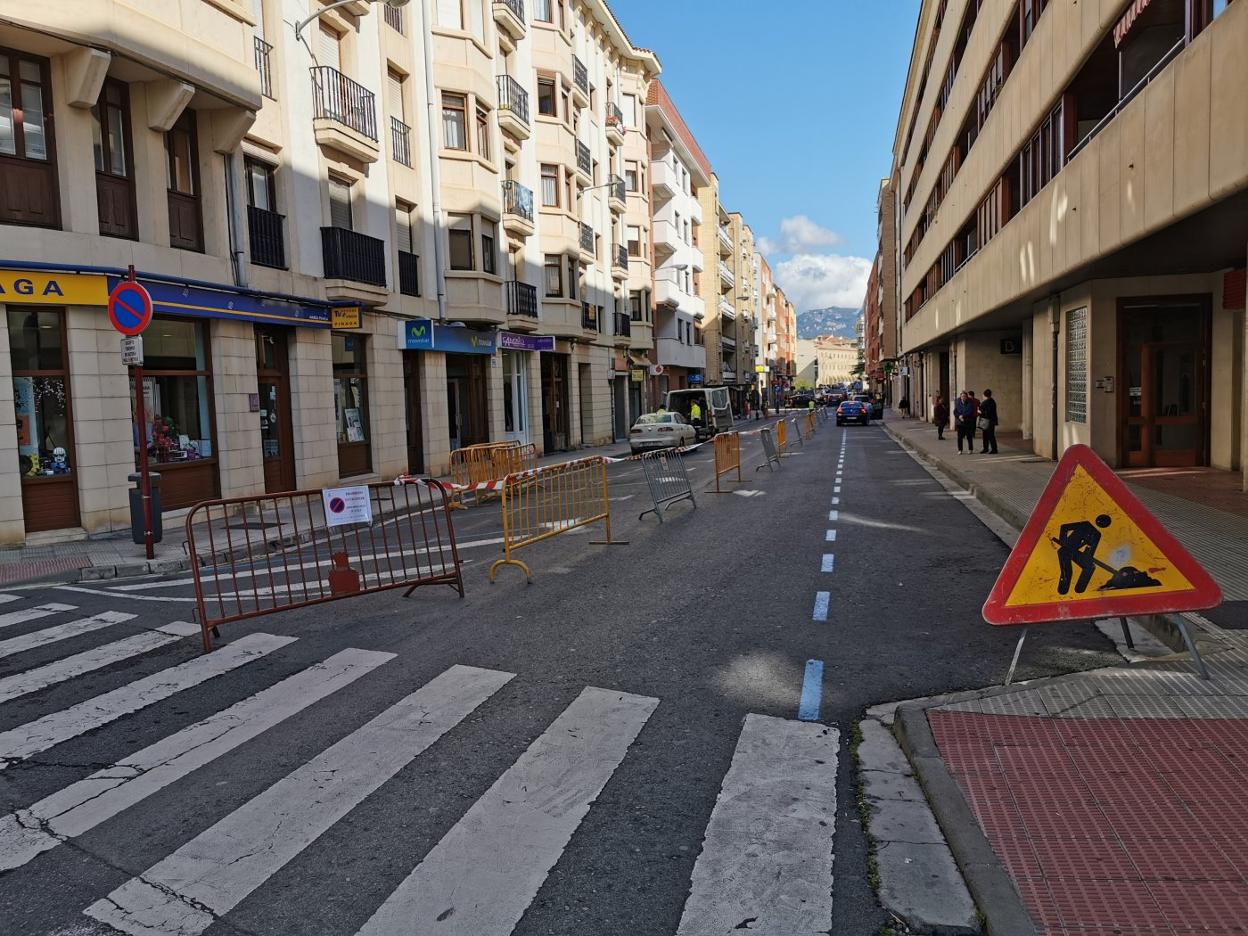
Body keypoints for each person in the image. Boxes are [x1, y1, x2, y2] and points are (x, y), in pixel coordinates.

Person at [979, 388, 999, 454]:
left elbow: (985, 412)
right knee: (990, 435)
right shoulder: (993, 401)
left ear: (984, 395)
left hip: (986, 421)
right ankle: (991, 448)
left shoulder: (985, 403)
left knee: (987, 435)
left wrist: (979, 411)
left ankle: (990, 449)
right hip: (992, 421)